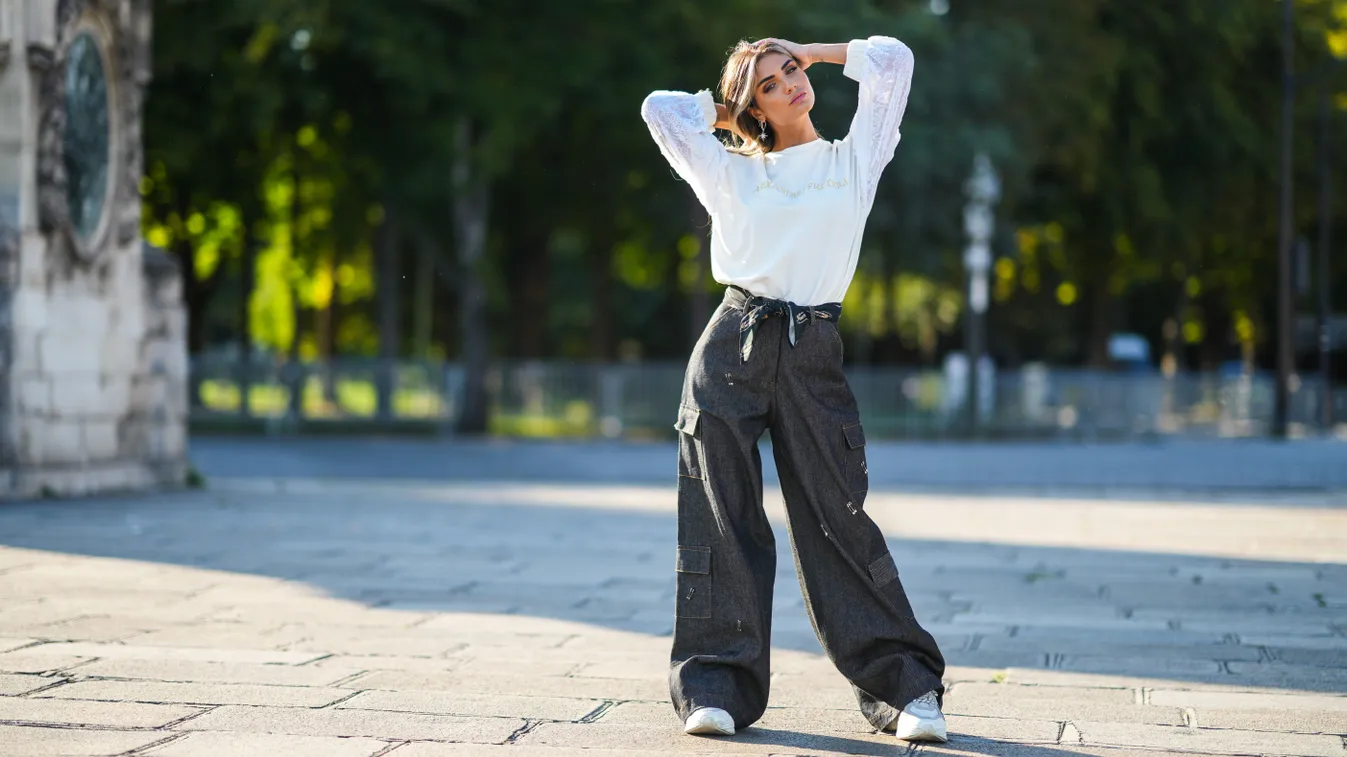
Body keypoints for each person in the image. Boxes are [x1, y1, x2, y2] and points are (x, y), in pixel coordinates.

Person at [639, 36, 948, 743]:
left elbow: (894, 62)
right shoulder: (727, 172)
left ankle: (905, 686)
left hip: (813, 350)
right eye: (772, 85)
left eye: (791, 73)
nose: (791, 85)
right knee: (721, 515)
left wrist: (811, 50)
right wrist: (734, 114)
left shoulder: (854, 158)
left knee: (838, 516)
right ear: (755, 105)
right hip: (731, 346)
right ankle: (714, 685)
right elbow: (661, 110)